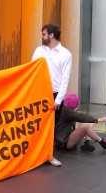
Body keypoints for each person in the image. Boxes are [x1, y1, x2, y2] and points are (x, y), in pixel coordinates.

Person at [32, 24, 72, 166]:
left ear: (51, 35)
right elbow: (31, 70)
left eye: (44, 34)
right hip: (38, 93)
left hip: (54, 95)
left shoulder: (66, 54)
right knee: (36, 125)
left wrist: (58, 100)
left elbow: (65, 79)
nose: (42, 37)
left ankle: (49, 155)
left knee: (51, 127)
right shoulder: (38, 50)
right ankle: (34, 154)